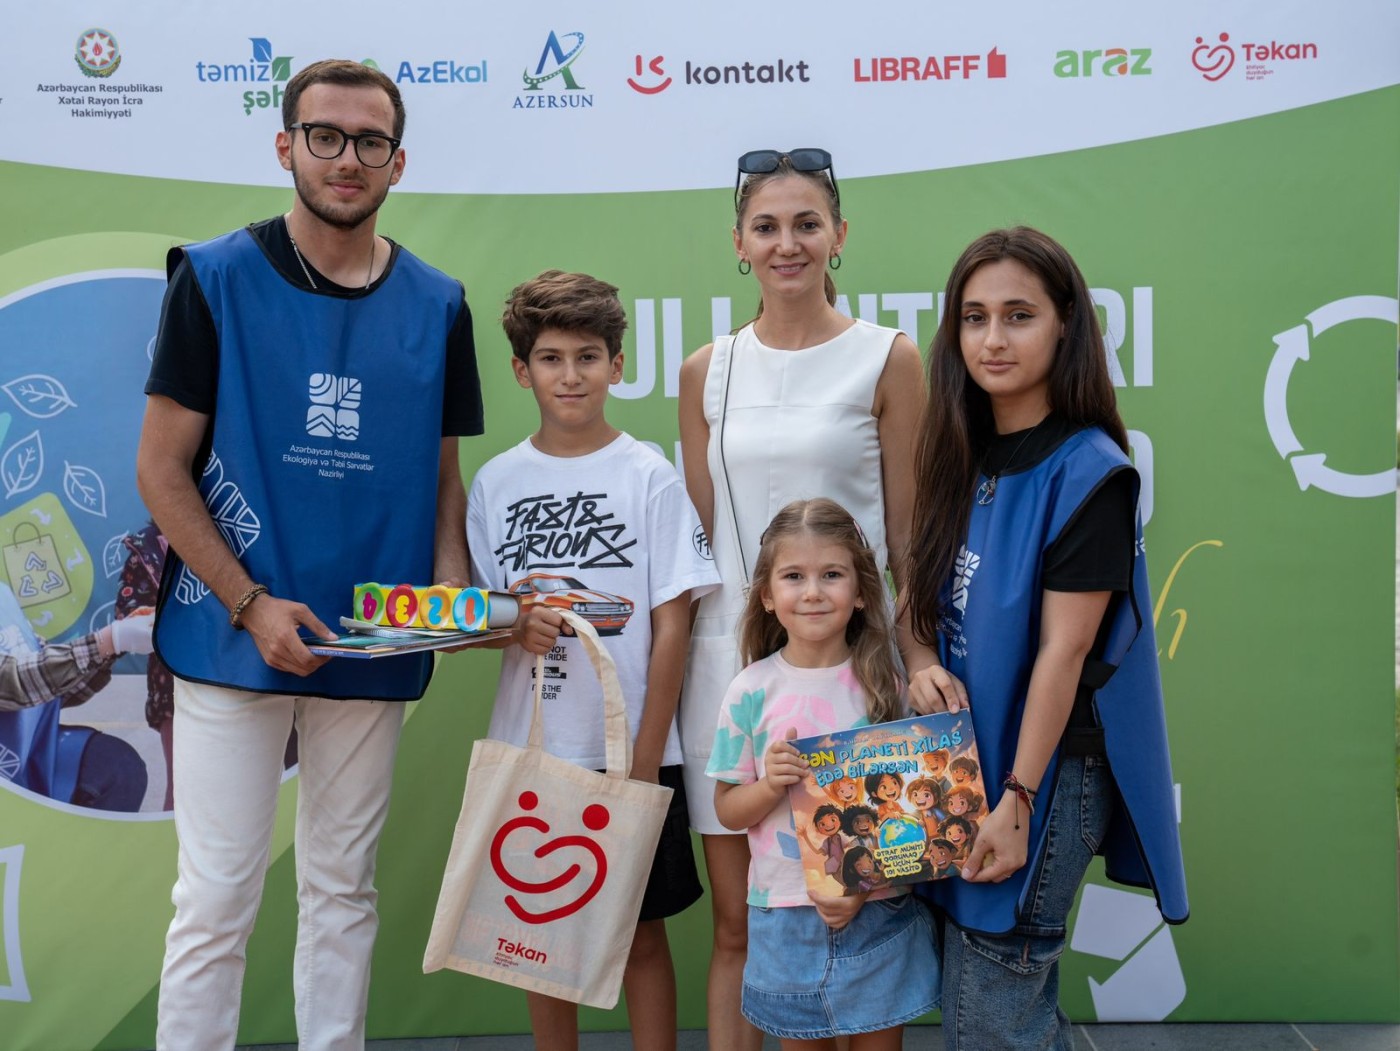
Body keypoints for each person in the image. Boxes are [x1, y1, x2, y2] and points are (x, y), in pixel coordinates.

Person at [135, 58, 483, 1050]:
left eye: (368, 141)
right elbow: (161, 471)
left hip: (369, 635)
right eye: (324, 136)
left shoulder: (439, 302)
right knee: (215, 898)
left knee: (343, 890)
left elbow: (442, 474)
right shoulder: (214, 277)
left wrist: (450, 587)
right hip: (232, 631)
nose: (346, 158)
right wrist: (249, 602)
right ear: (284, 145)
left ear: (397, 161)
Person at [677, 146, 958, 1050]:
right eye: (767, 226)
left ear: (839, 236)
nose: (787, 243)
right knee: (744, 923)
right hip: (729, 672)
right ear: (739, 243)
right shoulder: (704, 371)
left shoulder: (889, 357)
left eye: (806, 223)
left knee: (857, 907)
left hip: (852, 679)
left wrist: (913, 654)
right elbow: (699, 538)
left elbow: (910, 536)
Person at [904, 227, 1188, 1050]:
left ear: (1066, 323)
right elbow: (916, 601)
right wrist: (920, 661)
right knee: (992, 1010)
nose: (993, 339)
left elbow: (1064, 656)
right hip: (964, 761)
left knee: (992, 1011)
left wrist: (1018, 801)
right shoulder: (962, 449)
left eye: (1019, 315)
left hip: (1045, 775)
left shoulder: (1089, 469)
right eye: (975, 316)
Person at [467, 270, 718, 1051]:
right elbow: (483, 618)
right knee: (540, 946)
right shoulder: (496, 482)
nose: (569, 375)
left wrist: (646, 757)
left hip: (634, 753)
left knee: (641, 937)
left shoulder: (648, 475)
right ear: (521, 370)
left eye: (587, 356)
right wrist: (515, 628)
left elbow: (673, 621)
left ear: (616, 363)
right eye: (550, 358)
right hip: (533, 752)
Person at [707, 498, 939, 1050]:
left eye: (831, 575)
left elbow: (911, 813)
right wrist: (768, 785)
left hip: (878, 911)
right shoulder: (749, 691)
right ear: (767, 595)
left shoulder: (888, 685)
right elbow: (726, 810)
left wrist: (866, 885)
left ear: (861, 592)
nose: (812, 591)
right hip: (784, 914)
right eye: (793, 576)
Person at [0, 590, 154, 811]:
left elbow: (48, 690)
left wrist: (114, 647)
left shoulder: (3, 597)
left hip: (32, 752)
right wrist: (108, 641)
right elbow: (13, 683)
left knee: (119, 766)